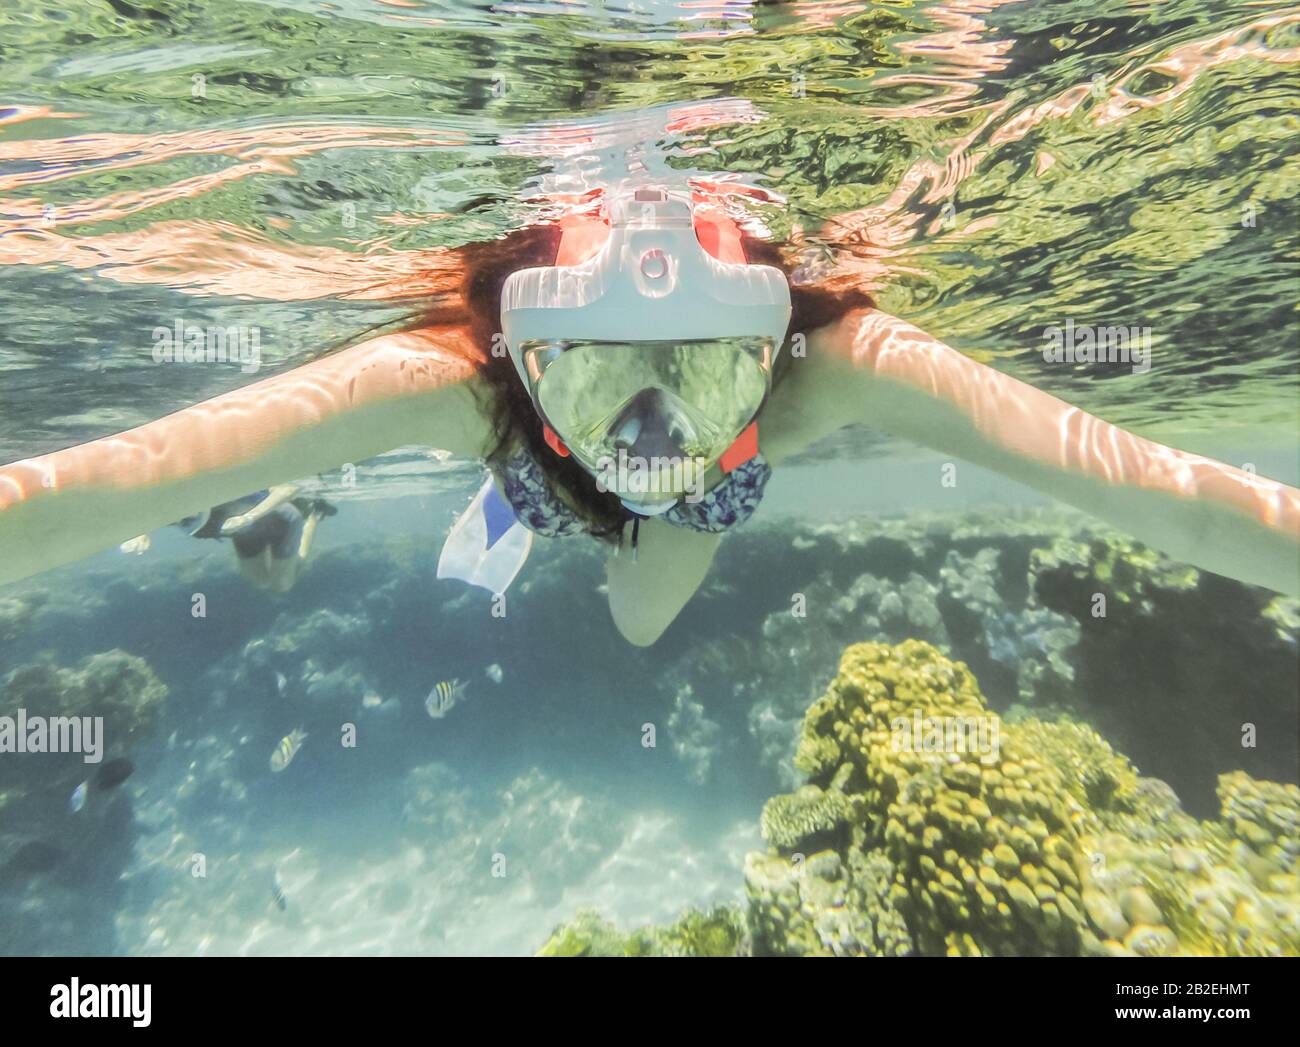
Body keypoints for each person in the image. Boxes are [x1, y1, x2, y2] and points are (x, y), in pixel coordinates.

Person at [1, 183, 1295, 645]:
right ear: (523, 345)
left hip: (651, 482)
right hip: (533, 454)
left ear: (768, 334)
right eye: (595, 362)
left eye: (697, 363)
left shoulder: (832, 360)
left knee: (634, 622)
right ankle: (517, 486)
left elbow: (1144, 485)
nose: (650, 423)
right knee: (590, 541)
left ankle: (521, 487)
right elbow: (138, 477)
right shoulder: (459, 377)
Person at [175, 485, 336, 592]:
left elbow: (288, 489)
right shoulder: (169, 512)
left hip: (282, 523)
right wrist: (147, 532)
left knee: (281, 585)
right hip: (243, 531)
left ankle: (314, 513)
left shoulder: (225, 494)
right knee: (258, 581)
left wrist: (247, 518)